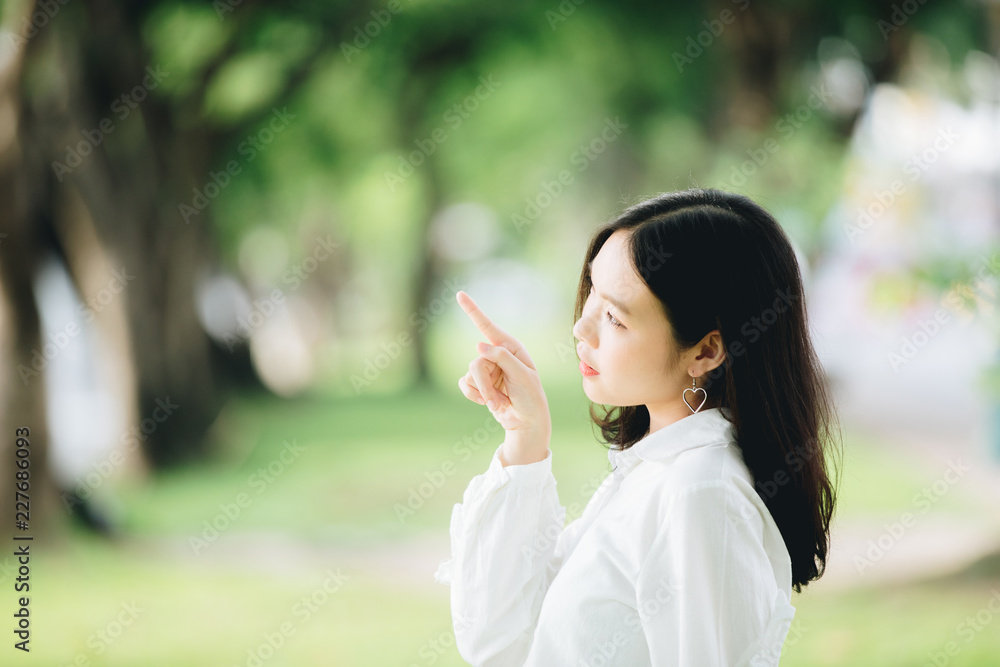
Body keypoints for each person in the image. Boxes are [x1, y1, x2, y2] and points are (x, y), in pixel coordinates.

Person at [434, 187, 841, 666]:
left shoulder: (700, 491)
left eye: (613, 316)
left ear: (706, 351)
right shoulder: (652, 472)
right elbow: (499, 644)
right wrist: (525, 436)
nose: (581, 329)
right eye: (591, 294)